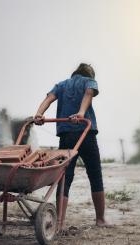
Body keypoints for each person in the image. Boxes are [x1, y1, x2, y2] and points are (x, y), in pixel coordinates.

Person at [34, 63, 109, 230]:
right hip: (85, 132)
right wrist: (82, 113)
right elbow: (89, 93)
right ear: (89, 75)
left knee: (65, 177)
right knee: (95, 175)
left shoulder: (61, 84)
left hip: (66, 134)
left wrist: (39, 114)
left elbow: (49, 98)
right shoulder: (89, 81)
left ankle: (59, 222)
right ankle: (100, 220)